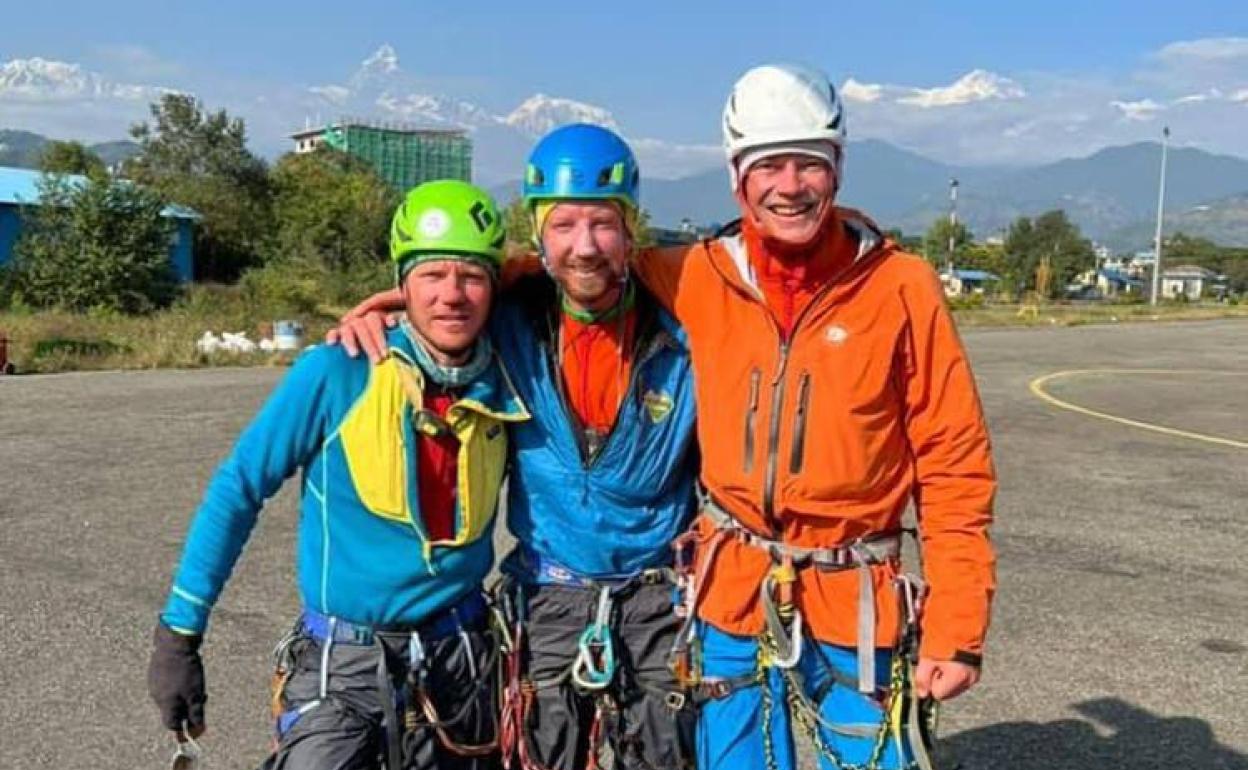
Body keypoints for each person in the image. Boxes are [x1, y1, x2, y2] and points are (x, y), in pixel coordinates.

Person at [335, 62, 997, 770]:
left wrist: (956, 626)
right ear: (738, 177)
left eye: (808, 163)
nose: (789, 185)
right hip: (730, 596)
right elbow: (578, 261)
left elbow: (953, 463)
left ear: (837, 168)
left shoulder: (901, 288)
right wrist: (434, 294)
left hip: (855, 595)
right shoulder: (701, 273)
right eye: (768, 165)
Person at [332, 124, 700, 770]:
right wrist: (383, 309)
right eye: (563, 225)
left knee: (668, 754)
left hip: (658, 599)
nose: (584, 246)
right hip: (549, 599)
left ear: (631, 230)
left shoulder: (686, 330)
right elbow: (444, 297)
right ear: (537, 234)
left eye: (603, 224)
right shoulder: (510, 318)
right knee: (542, 753)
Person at [147, 179, 529, 770]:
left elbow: (580, 274)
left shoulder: (510, 372)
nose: (452, 295)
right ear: (402, 285)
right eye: (431, 275)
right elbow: (238, 489)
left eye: (472, 276)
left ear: (494, 288)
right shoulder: (337, 372)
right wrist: (180, 633)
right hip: (344, 667)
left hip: (463, 666)